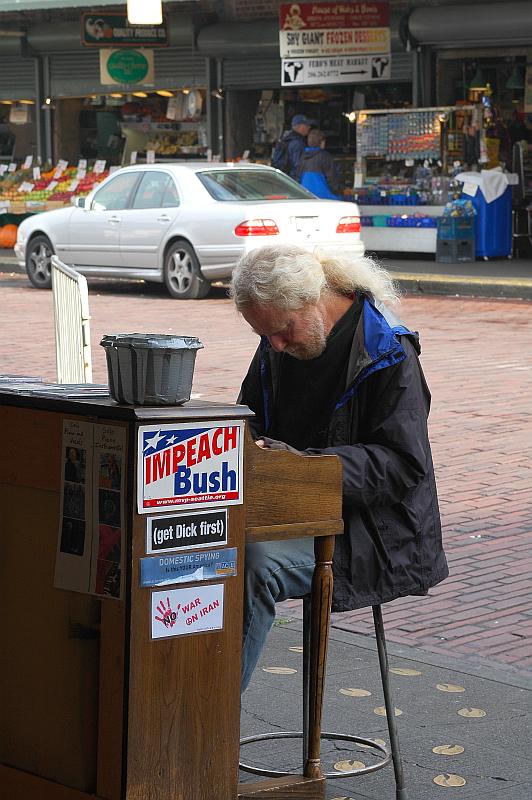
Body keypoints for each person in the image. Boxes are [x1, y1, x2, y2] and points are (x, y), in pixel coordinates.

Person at [230, 245, 448, 691]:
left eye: (282, 330)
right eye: (264, 335)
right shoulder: (277, 338)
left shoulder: (388, 349)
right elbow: (247, 419)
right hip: (294, 505)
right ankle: (172, 704)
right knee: (195, 543)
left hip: (371, 530)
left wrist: (307, 468)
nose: (275, 345)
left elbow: (403, 465)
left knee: (253, 562)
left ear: (313, 300)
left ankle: (207, 722)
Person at [296, 128, 342, 199]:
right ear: (322, 142)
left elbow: (297, 177)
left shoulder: (303, 157)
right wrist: (338, 193)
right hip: (324, 197)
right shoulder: (325, 156)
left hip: (306, 196)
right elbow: (332, 179)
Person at [271, 114, 314, 179]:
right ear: (301, 127)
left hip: (282, 177)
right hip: (292, 179)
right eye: (307, 125)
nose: (309, 127)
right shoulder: (297, 143)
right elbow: (298, 166)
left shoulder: (284, 138)